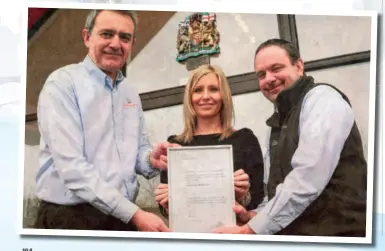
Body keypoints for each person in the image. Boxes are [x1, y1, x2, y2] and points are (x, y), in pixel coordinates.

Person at [33, 9, 177, 232]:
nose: (116, 43)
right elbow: (73, 169)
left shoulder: (130, 92)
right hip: (71, 220)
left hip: (123, 218)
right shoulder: (62, 85)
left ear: (132, 43)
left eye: (125, 37)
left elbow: (137, 152)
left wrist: (151, 158)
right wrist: (135, 214)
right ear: (86, 37)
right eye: (107, 34)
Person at [212, 38, 367, 236]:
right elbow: (276, 193)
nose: (268, 79)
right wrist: (255, 216)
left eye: (276, 68)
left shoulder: (322, 99)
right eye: (261, 75)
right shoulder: (276, 125)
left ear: (299, 66)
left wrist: (251, 230)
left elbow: (307, 178)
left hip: (340, 235)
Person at [154, 64, 265, 221]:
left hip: (234, 235)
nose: (205, 96)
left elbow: (257, 200)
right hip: (190, 237)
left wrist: (243, 196)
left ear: (224, 95)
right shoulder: (175, 145)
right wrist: (166, 202)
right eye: (198, 90)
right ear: (189, 97)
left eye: (213, 89)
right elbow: (167, 210)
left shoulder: (245, 139)